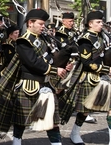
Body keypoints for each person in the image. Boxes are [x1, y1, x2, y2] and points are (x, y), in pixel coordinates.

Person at [11, 9, 68, 145]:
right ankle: (16, 142)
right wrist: (54, 70)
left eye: (44, 24)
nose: (44, 26)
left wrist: (64, 60)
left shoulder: (44, 39)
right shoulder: (23, 41)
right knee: (22, 120)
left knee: (52, 120)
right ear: (30, 23)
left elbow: (52, 59)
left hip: (47, 84)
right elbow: (33, 63)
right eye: (41, 24)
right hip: (29, 86)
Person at [60, 11, 111, 145]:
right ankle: (75, 133)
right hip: (90, 77)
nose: (101, 24)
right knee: (84, 111)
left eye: (101, 22)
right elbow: (87, 62)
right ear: (90, 24)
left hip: (105, 77)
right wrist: (107, 69)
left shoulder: (103, 36)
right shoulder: (85, 39)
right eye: (98, 22)